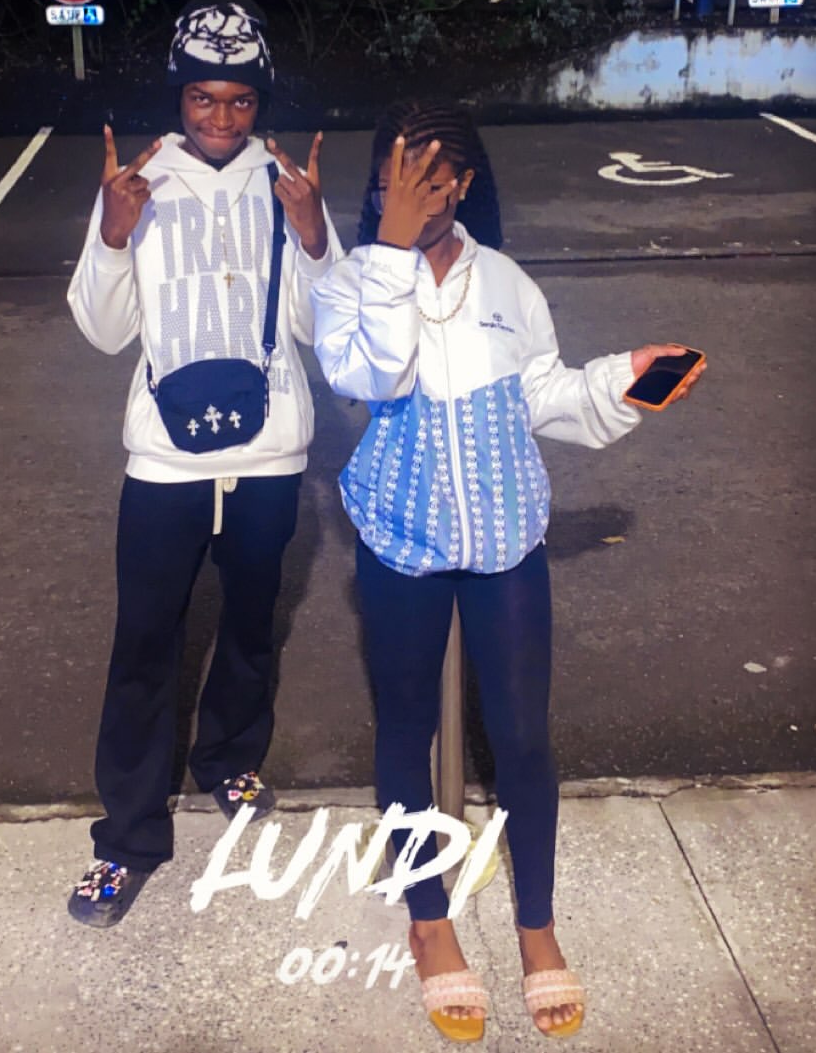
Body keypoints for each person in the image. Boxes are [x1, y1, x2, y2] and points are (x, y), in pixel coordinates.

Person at [310, 100, 705, 1043]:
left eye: (431, 177)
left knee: (523, 737)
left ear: (464, 183)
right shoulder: (350, 281)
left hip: (506, 541)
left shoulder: (509, 283)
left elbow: (545, 393)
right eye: (393, 178)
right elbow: (373, 378)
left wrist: (623, 378)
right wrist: (392, 252)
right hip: (401, 539)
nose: (413, 194)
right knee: (405, 729)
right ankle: (429, 922)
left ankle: (537, 928)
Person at [65, 0, 342, 928]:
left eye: (239, 100)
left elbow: (324, 329)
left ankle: (227, 757)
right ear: (178, 98)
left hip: (270, 451)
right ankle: (127, 837)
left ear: (260, 102)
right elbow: (103, 329)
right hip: (164, 460)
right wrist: (113, 234)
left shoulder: (286, 183)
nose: (220, 118)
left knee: (254, 621)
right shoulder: (139, 184)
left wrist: (315, 237)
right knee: (145, 644)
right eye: (202, 98)